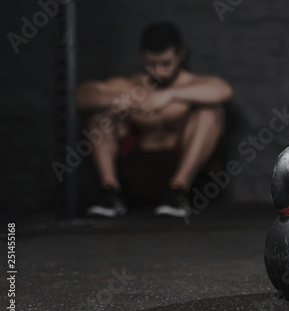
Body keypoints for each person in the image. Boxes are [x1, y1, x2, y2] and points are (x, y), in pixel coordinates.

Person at [76, 22, 233, 218]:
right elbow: (82, 96)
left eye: (166, 63)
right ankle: (110, 194)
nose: (159, 71)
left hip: (178, 171)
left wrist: (169, 95)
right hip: (135, 173)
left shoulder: (194, 85)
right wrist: (118, 100)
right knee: (98, 114)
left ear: (181, 55)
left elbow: (224, 90)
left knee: (210, 111)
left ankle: (176, 194)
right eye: (151, 64)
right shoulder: (130, 85)